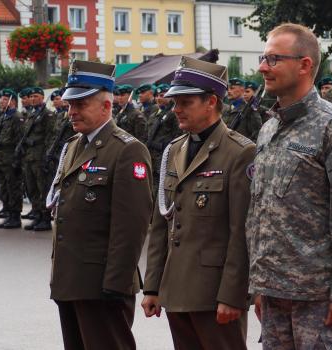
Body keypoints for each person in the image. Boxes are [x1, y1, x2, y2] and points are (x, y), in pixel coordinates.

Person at [247, 23, 332, 348]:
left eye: (273, 59)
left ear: (304, 65)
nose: (262, 67)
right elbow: (259, 209)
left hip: (319, 299)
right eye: (263, 58)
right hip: (274, 295)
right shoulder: (269, 128)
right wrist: (258, 284)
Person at [142, 57, 254, 350]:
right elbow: (160, 224)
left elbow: (241, 232)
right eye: (175, 101)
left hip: (214, 293)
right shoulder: (174, 150)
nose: (176, 109)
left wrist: (233, 295)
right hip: (176, 288)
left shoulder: (239, 153)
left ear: (211, 101)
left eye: (185, 102)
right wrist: (152, 286)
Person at [48, 60, 152, 350]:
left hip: (102, 286)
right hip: (71, 281)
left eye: (80, 104)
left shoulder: (127, 150)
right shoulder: (73, 146)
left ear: (106, 106)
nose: (72, 111)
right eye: (70, 105)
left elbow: (131, 226)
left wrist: (115, 286)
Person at [17, 87, 55, 231]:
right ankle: (37, 214)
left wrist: (46, 156)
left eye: (35, 96)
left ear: (41, 97)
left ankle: (45, 218)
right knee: (31, 188)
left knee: (42, 188)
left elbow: (50, 136)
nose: (32, 98)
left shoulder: (47, 115)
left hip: (40, 157)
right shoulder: (32, 114)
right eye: (31, 96)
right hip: (29, 157)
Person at [0, 89, 24, 229]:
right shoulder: (2, 116)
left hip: (10, 158)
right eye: (1, 99)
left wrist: (17, 160)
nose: (1, 102)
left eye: (5, 99)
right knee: (3, 187)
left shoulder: (16, 117)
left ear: (13, 102)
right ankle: (8, 212)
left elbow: (20, 140)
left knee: (13, 187)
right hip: (0, 159)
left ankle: (15, 216)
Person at [145, 83, 183, 197]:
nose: (158, 98)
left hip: (165, 156)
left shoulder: (173, 113)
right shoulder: (155, 114)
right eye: (157, 96)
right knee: (150, 188)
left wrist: (165, 146)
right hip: (152, 157)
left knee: (162, 191)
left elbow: (179, 135)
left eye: (162, 95)